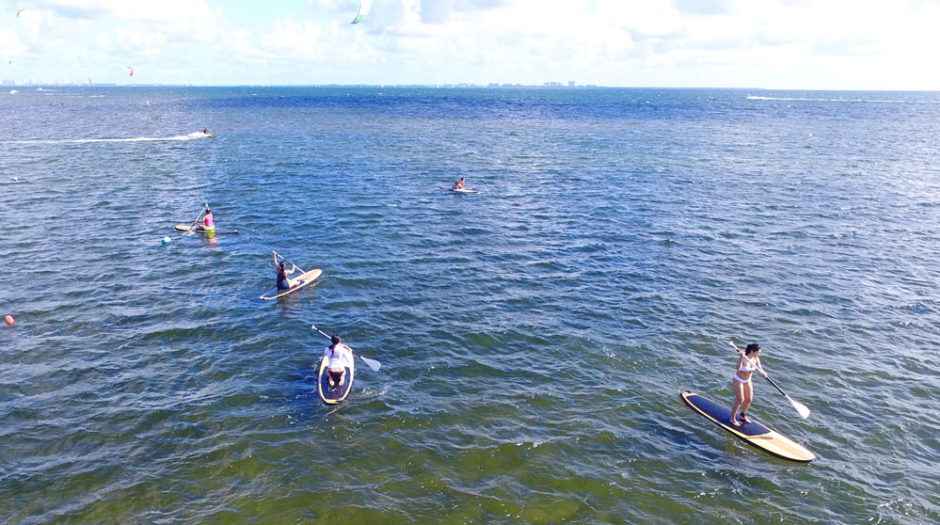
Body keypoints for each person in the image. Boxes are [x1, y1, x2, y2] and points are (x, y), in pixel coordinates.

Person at [730, 343, 768, 427]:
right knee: (740, 400)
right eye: (758, 352)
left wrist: (763, 373)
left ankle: (742, 415)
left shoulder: (756, 359)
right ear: (752, 351)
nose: (759, 354)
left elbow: (760, 369)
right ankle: (732, 419)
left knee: (749, 399)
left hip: (747, 380)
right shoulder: (743, 358)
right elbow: (738, 369)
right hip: (738, 379)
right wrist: (740, 357)